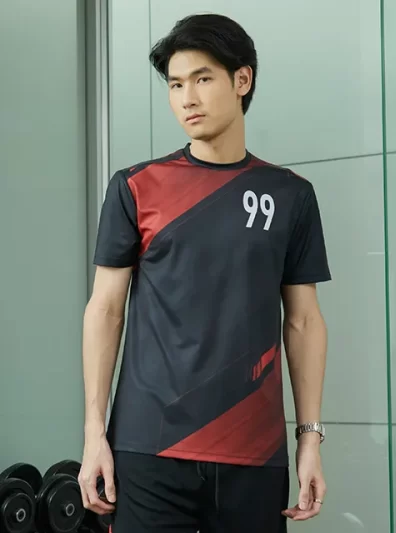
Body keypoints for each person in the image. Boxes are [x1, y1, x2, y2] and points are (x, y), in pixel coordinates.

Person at [78, 12, 331, 533]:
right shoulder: (135, 188)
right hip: (149, 448)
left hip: (254, 452)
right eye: (175, 84)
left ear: (243, 80)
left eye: (202, 79)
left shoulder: (291, 196)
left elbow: (303, 321)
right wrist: (93, 433)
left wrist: (310, 438)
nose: (186, 98)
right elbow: (105, 311)